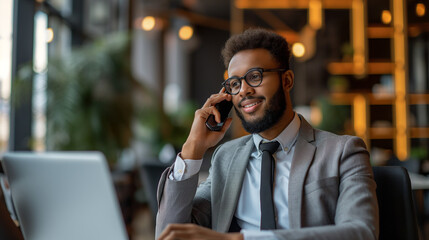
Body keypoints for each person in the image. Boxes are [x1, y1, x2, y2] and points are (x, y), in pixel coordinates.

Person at [155, 28, 379, 240]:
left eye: (255, 76)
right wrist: (192, 149)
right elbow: (170, 234)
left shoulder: (343, 151)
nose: (243, 90)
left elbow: (361, 232)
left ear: (287, 80)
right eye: (234, 84)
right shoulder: (226, 157)